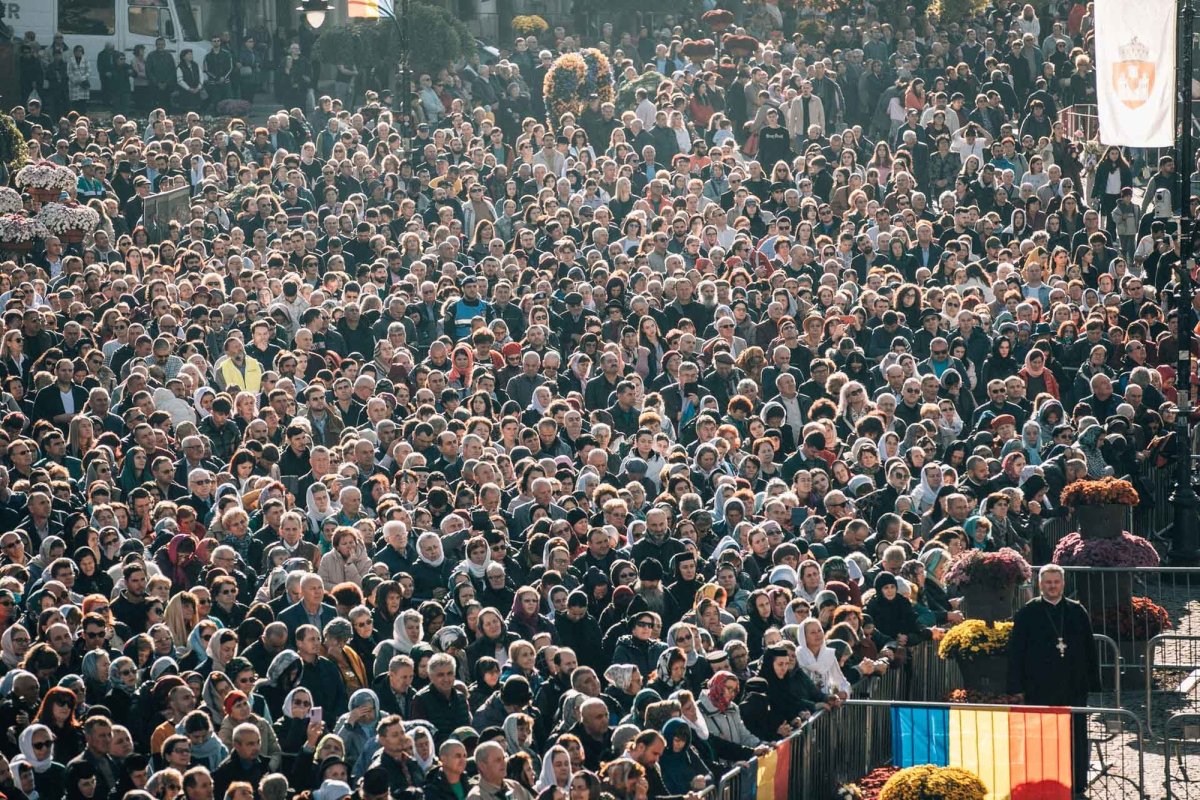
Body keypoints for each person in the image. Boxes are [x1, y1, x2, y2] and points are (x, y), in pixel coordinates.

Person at [1007, 564, 1100, 794]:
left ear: (1063, 584)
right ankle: (1042, 780)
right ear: (1040, 585)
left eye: (1056, 582)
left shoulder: (1077, 611)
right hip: (1039, 685)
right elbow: (1016, 652)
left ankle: (1075, 781)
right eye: (1047, 582)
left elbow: (1089, 648)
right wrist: (1016, 687)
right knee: (1041, 735)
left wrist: (1093, 683)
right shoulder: (1028, 612)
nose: (1052, 586)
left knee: (1075, 734)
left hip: (1073, 684)